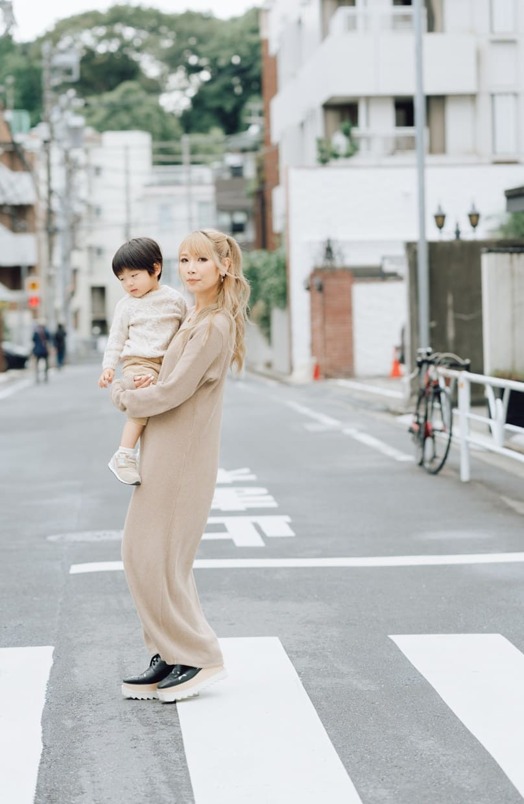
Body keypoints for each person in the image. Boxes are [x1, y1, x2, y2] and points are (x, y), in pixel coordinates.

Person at [111, 228, 249, 703]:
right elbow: (161, 374)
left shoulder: (214, 325)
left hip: (184, 455)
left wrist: (125, 394)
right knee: (150, 556)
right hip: (164, 449)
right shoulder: (192, 315)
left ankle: (198, 656)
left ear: (223, 267)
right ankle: (169, 651)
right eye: (185, 260)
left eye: (202, 261)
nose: (191, 269)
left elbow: (173, 391)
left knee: (154, 557)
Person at [98, 237, 187, 486]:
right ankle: (124, 454)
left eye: (134, 276)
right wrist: (108, 367)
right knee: (144, 397)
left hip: (167, 365)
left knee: (164, 411)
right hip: (138, 362)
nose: (128, 284)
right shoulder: (126, 306)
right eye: (122, 279)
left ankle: (156, 459)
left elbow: (186, 330)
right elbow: (116, 339)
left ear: (156, 268)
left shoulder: (175, 299)